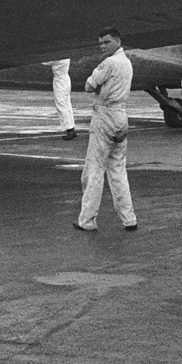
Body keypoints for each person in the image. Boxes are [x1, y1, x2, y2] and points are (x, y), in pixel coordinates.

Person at [74, 27, 138, 232]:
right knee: (118, 170)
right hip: (121, 116)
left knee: (94, 170)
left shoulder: (109, 63)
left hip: (104, 116)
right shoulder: (127, 62)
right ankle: (129, 219)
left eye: (107, 42)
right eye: (100, 43)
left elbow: (88, 85)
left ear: (118, 41)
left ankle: (87, 219)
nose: (102, 46)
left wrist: (99, 87)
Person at [49, 59, 76, 139]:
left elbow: (49, 62)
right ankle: (72, 127)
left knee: (61, 104)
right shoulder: (66, 56)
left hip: (60, 80)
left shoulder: (59, 57)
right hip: (66, 79)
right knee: (67, 104)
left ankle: (69, 128)